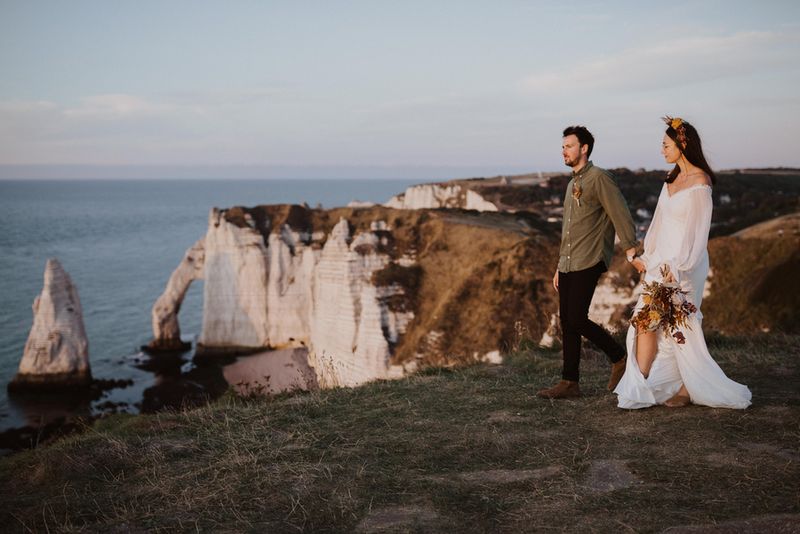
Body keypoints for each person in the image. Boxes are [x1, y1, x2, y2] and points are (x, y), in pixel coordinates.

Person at [614, 117, 751, 409]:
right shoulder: (670, 178)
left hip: (686, 264)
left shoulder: (701, 182)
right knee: (645, 322)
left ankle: (687, 389)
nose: (662, 150)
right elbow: (658, 223)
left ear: (682, 144)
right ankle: (642, 383)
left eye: (666, 145)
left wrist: (678, 267)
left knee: (681, 326)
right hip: (661, 261)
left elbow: (698, 233)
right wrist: (648, 257)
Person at [537, 126, 639, 399]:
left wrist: (631, 249)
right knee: (567, 322)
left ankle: (619, 357)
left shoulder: (600, 178)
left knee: (576, 318)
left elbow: (620, 213)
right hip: (569, 262)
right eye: (562, 147)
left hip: (590, 258)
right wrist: (559, 265)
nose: (564, 151)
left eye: (569, 146)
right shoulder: (572, 183)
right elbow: (568, 229)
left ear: (584, 148)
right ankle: (570, 383)